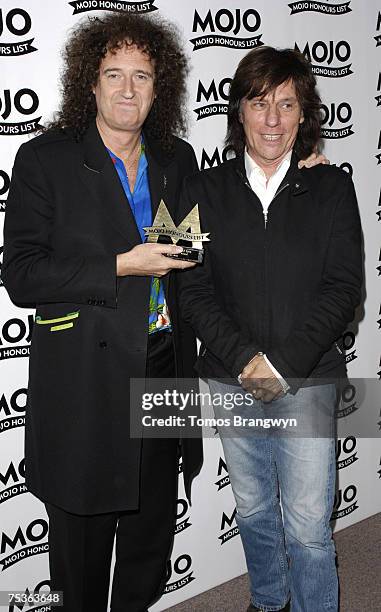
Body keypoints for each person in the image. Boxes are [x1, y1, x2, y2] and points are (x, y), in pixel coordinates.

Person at [2, 12, 203, 612]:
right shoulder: (46, 159)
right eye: (113, 74)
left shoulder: (176, 157)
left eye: (141, 76)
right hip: (85, 382)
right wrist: (119, 266)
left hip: (163, 369)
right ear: (89, 83)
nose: (126, 90)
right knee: (81, 557)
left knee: (149, 543)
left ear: (156, 87)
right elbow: (22, 276)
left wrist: (297, 167)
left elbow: (199, 244)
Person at [178, 46, 362, 612]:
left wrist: (282, 365)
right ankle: (268, 598)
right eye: (260, 104)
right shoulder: (199, 191)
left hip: (307, 380)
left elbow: (343, 289)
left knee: (308, 526)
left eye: (288, 104)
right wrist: (244, 361)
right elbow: (189, 288)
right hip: (233, 380)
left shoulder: (332, 189)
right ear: (239, 112)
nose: (274, 120)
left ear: (305, 114)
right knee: (254, 511)